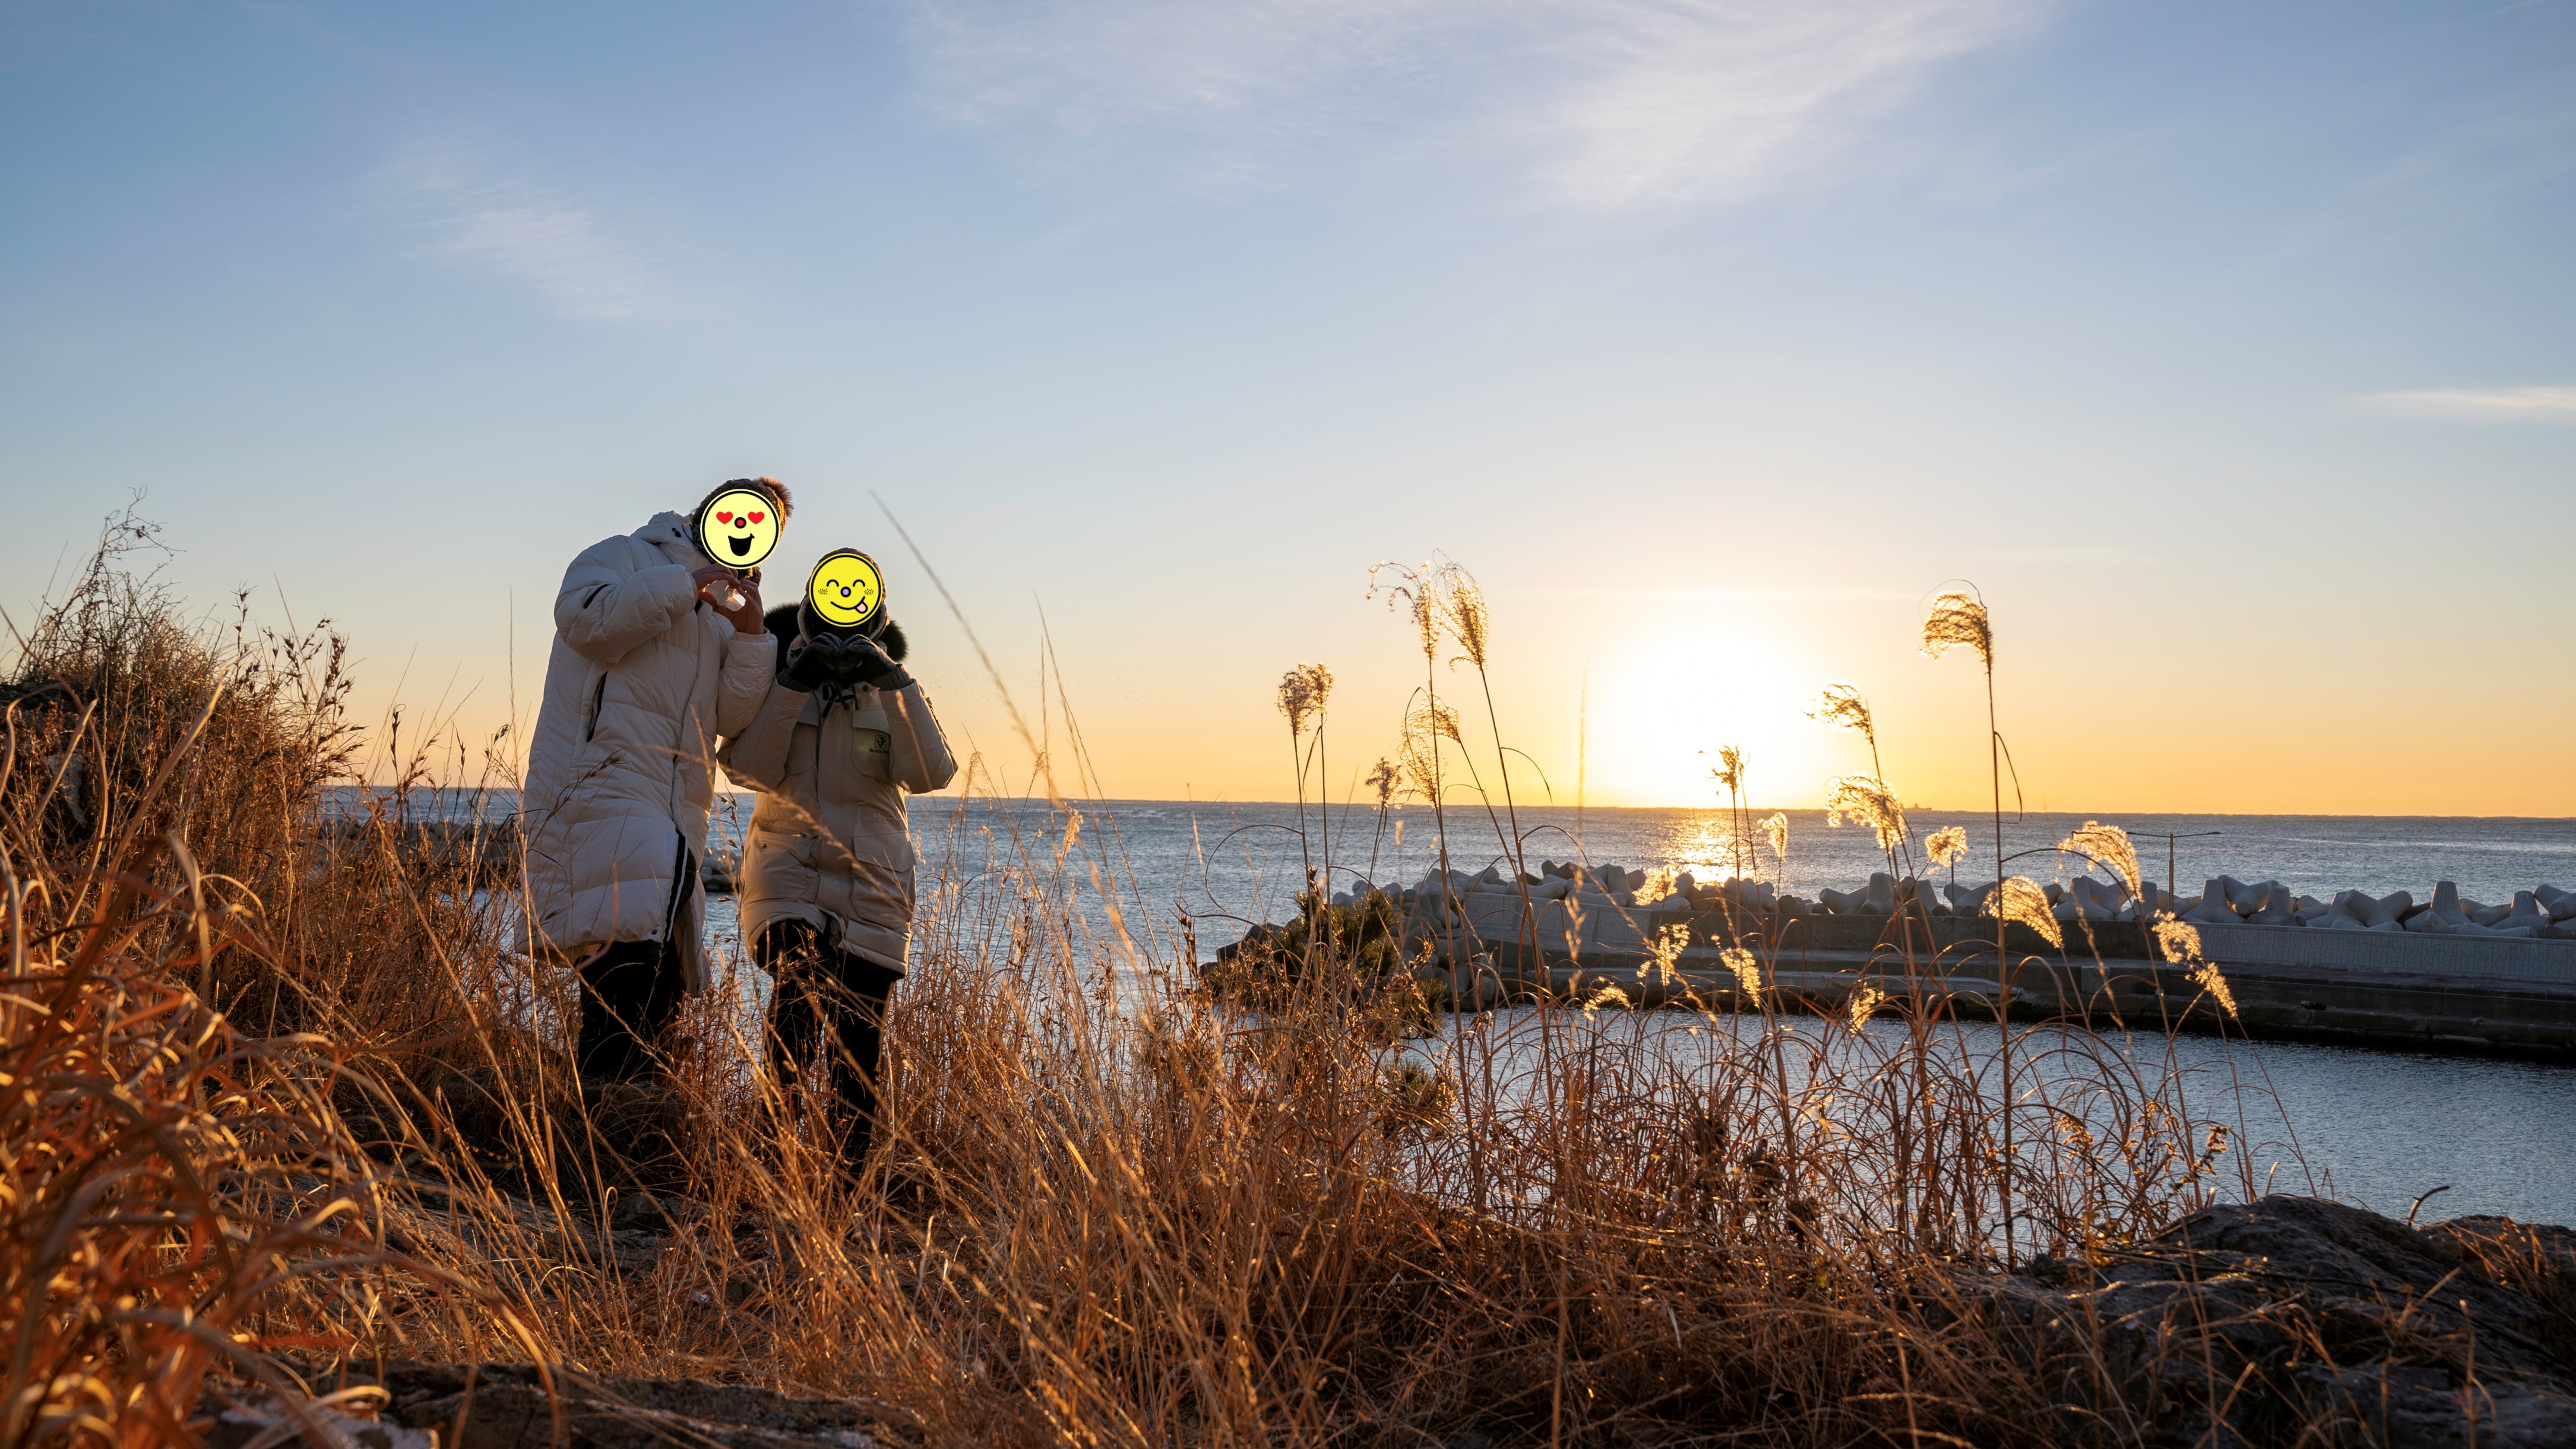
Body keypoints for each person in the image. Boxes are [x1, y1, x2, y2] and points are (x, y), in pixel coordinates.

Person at [518, 479, 786, 1086]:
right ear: (708, 511)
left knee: (657, 986)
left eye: (763, 529)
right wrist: (687, 582)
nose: (747, 533)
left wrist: (751, 636)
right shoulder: (626, 554)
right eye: (741, 516)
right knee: (625, 969)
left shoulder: (723, 612)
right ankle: (607, 1119)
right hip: (601, 787)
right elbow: (583, 619)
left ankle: (625, 1125)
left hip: (675, 815)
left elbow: (730, 719)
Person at [718, 551, 956, 1176]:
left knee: (858, 1037)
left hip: (872, 881)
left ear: (878, 620)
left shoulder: (894, 691)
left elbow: (931, 774)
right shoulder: (780, 679)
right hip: (787, 872)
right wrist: (793, 685)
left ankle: (843, 1185)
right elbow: (747, 769)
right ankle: (772, 1158)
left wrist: (892, 680)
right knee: (797, 986)